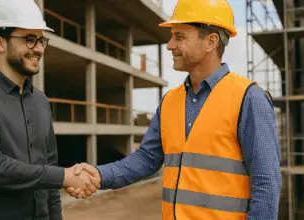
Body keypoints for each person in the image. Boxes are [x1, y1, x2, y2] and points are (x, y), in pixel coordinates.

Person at [65, 0, 282, 219]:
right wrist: (99, 174)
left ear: (211, 41)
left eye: (179, 36)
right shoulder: (170, 100)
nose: (169, 45)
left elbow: (266, 184)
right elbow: (146, 159)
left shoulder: (249, 98)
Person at [0, 0, 99, 219]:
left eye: (41, 40)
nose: (39, 49)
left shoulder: (40, 102)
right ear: (0, 43)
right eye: (29, 40)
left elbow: (49, 168)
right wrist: (65, 177)